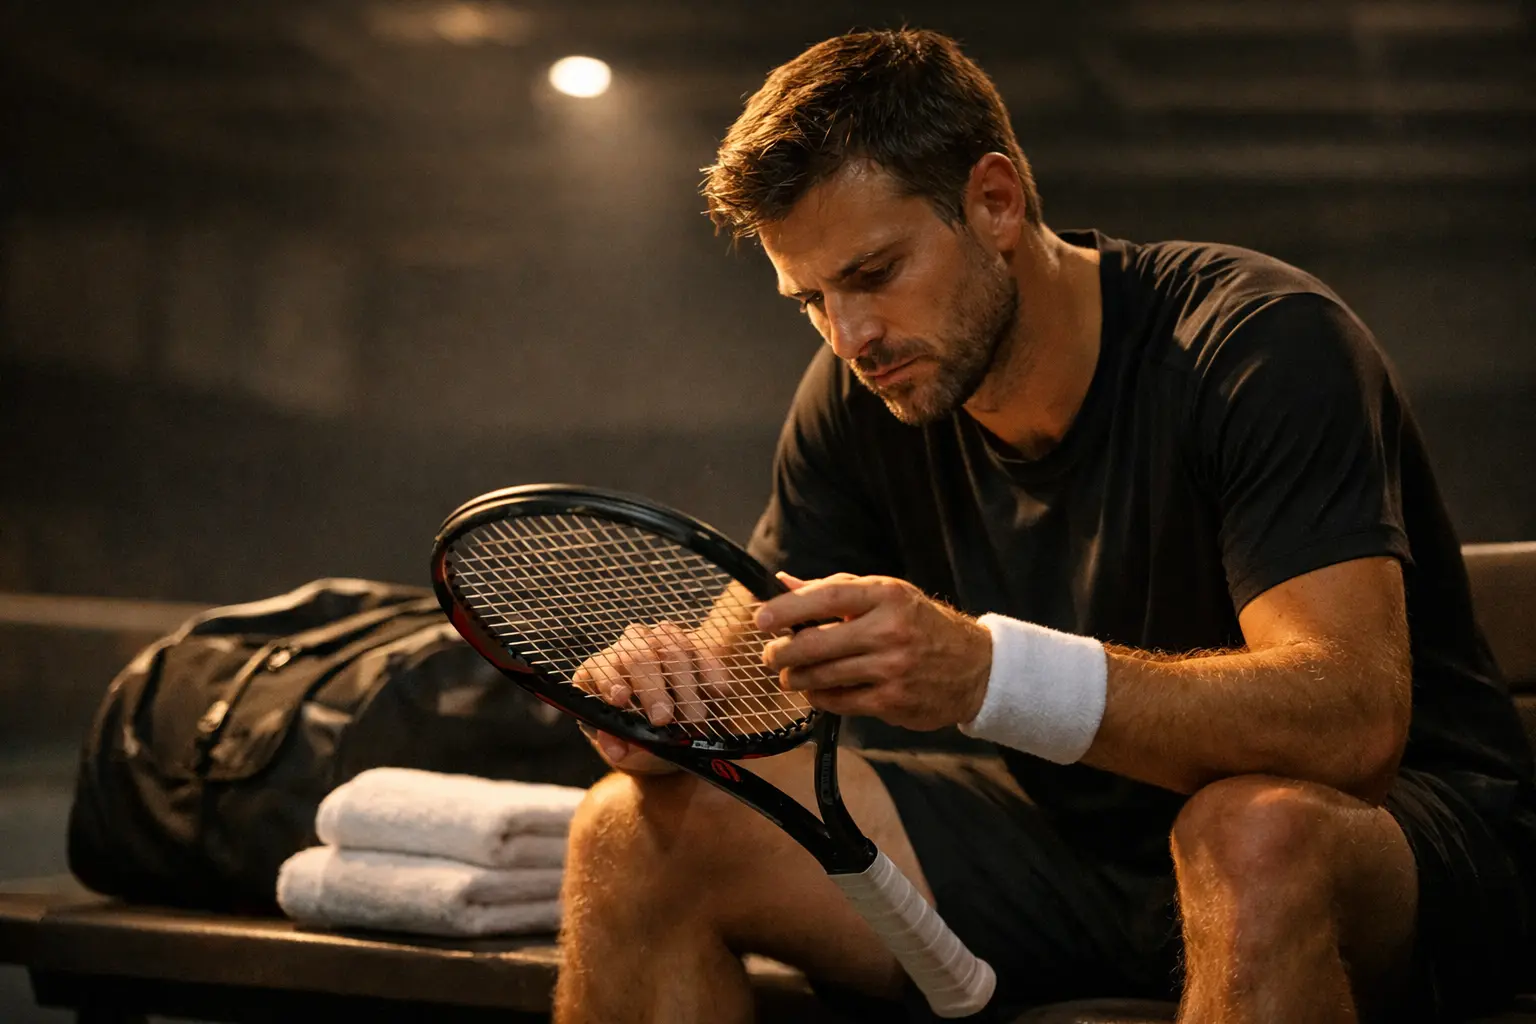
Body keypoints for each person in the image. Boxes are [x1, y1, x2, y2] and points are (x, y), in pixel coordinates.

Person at [552, 27, 1536, 1024]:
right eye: (811, 300)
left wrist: (987, 675)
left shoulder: (1260, 344)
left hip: (1396, 844)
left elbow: (1354, 724)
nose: (849, 337)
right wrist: (668, 700)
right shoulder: (861, 398)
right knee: (633, 833)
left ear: (995, 200)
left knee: (1249, 835)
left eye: (874, 272)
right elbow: (751, 668)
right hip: (1077, 847)